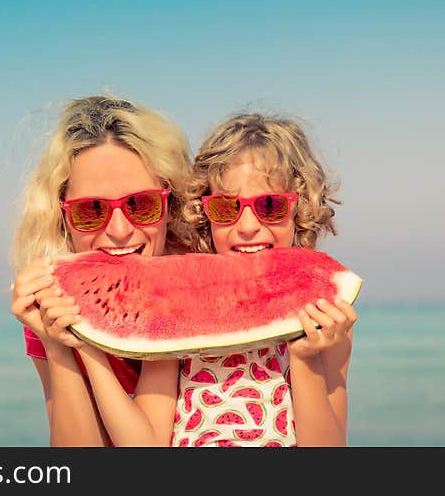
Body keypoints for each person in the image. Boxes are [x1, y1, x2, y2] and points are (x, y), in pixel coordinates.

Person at [50, 111, 358, 446]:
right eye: (226, 208)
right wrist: (89, 345)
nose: (248, 226)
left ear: (299, 212)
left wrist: (304, 357)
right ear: (204, 214)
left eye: (270, 206)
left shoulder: (329, 319)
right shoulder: (177, 302)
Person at [9, 95, 191, 446]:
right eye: (91, 210)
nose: (120, 230)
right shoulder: (50, 305)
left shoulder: (194, 282)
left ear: (170, 205)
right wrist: (59, 346)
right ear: (63, 216)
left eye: (142, 204)